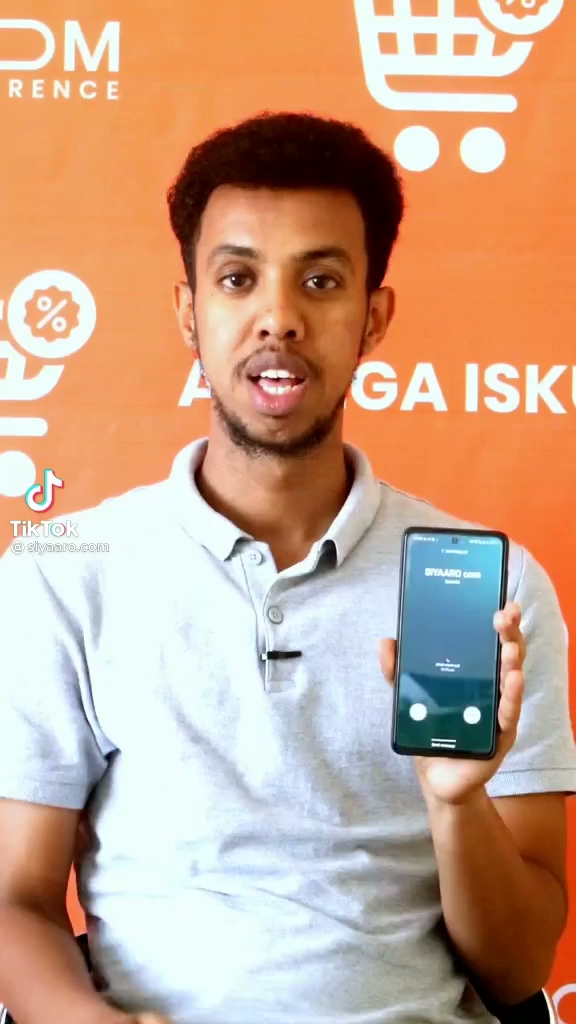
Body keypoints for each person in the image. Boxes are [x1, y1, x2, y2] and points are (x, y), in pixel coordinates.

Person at [0, 112, 574, 1024]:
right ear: (189, 311)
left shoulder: (489, 590)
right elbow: (15, 900)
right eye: (238, 279)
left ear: (373, 317)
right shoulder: (64, 572)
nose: (279, 317)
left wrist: (455, 803)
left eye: (321, 280)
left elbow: (516, 969)